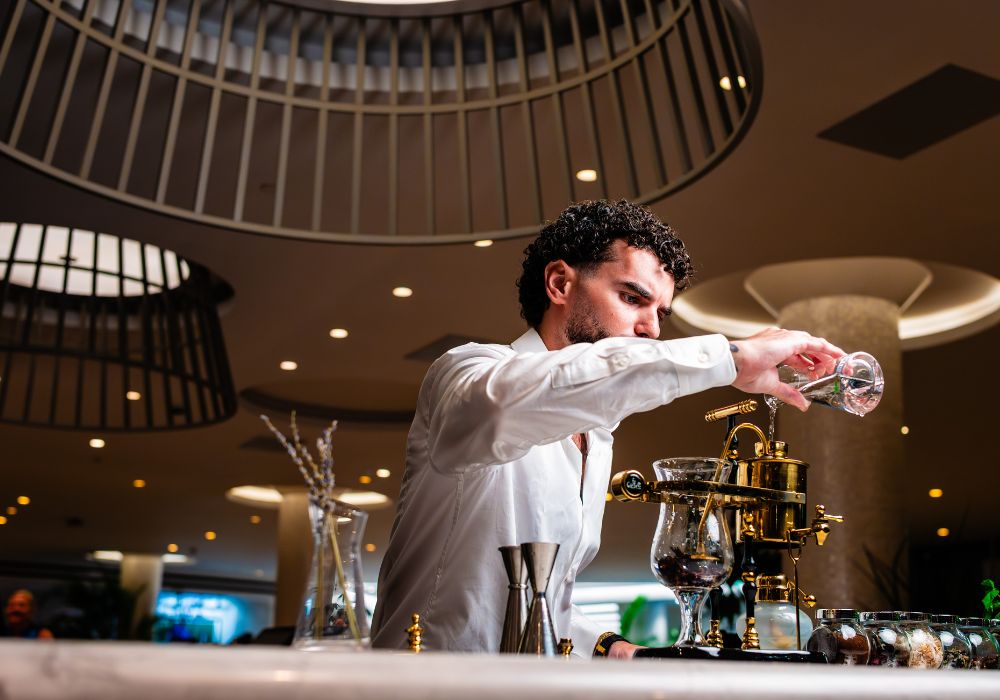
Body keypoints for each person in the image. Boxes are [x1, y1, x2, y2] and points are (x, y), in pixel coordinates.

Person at [370, 200, 842, 657]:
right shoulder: (468, 373)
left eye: (660, 312)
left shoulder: (597, 437)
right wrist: (729, 357)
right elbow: (503, 410)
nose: (652, 329)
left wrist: (615, 648)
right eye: (632, 298)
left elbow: (546, 603)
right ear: (559, 283)